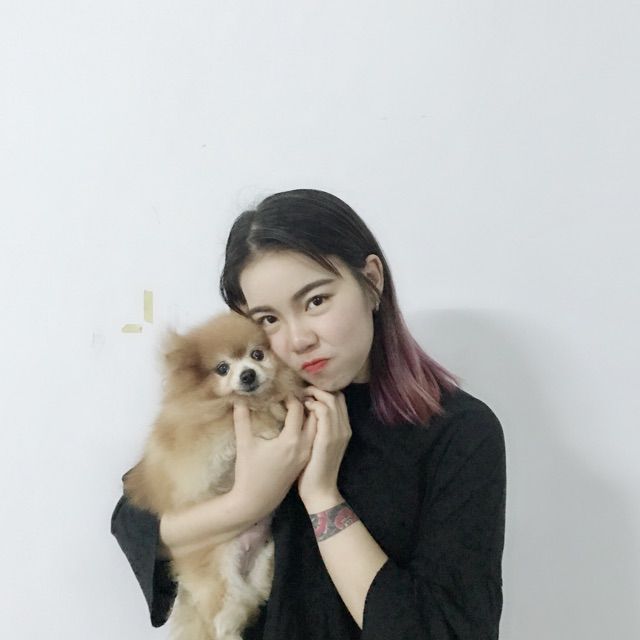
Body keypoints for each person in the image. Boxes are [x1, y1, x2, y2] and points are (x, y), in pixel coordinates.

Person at [111, 188, 507, 639]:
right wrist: (247, 502)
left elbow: (444, 630)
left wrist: (322, 496)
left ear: (371, 280)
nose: (299, 339)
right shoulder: (250, 409)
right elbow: (135, 521)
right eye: (268, 319)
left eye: (316, 301)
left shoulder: (460, 432)